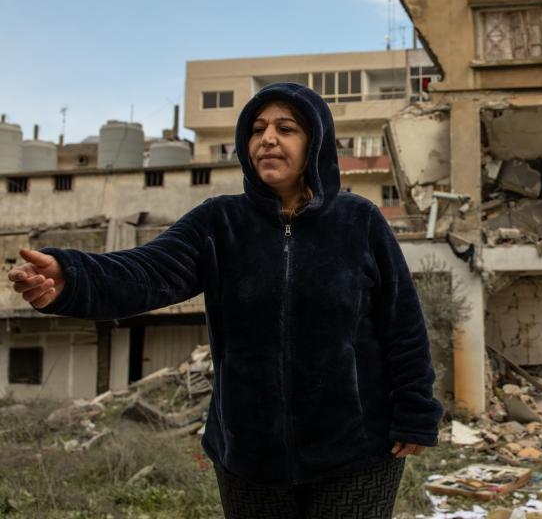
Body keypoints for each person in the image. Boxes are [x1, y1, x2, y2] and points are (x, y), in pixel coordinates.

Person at [7, 83, 444, 518]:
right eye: (257, 129)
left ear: (316, 142)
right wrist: (72, 277)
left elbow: (402, 325)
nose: (267, 138)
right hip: (249, 458)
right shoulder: (219, 223)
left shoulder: (359, 222)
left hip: (356, 453)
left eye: (286, 128)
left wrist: (416, 410)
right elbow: (146, 272)